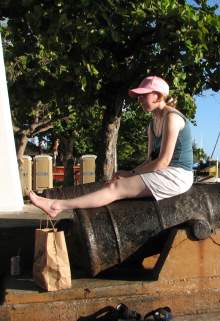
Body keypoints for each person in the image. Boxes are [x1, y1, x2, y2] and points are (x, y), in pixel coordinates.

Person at [29, 76, 194, 218]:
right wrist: (128, 173)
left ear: (158, 95)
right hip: (164, 172)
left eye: (143, 95)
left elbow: (162, 162)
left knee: (116, 187)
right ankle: (59, 204)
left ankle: (57, 206)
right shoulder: (152, 124)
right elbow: (150, 160)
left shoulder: (171, 118)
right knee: (114, 181)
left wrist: (130, 174)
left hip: (177, 175)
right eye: (139, 96)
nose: (139, 100)